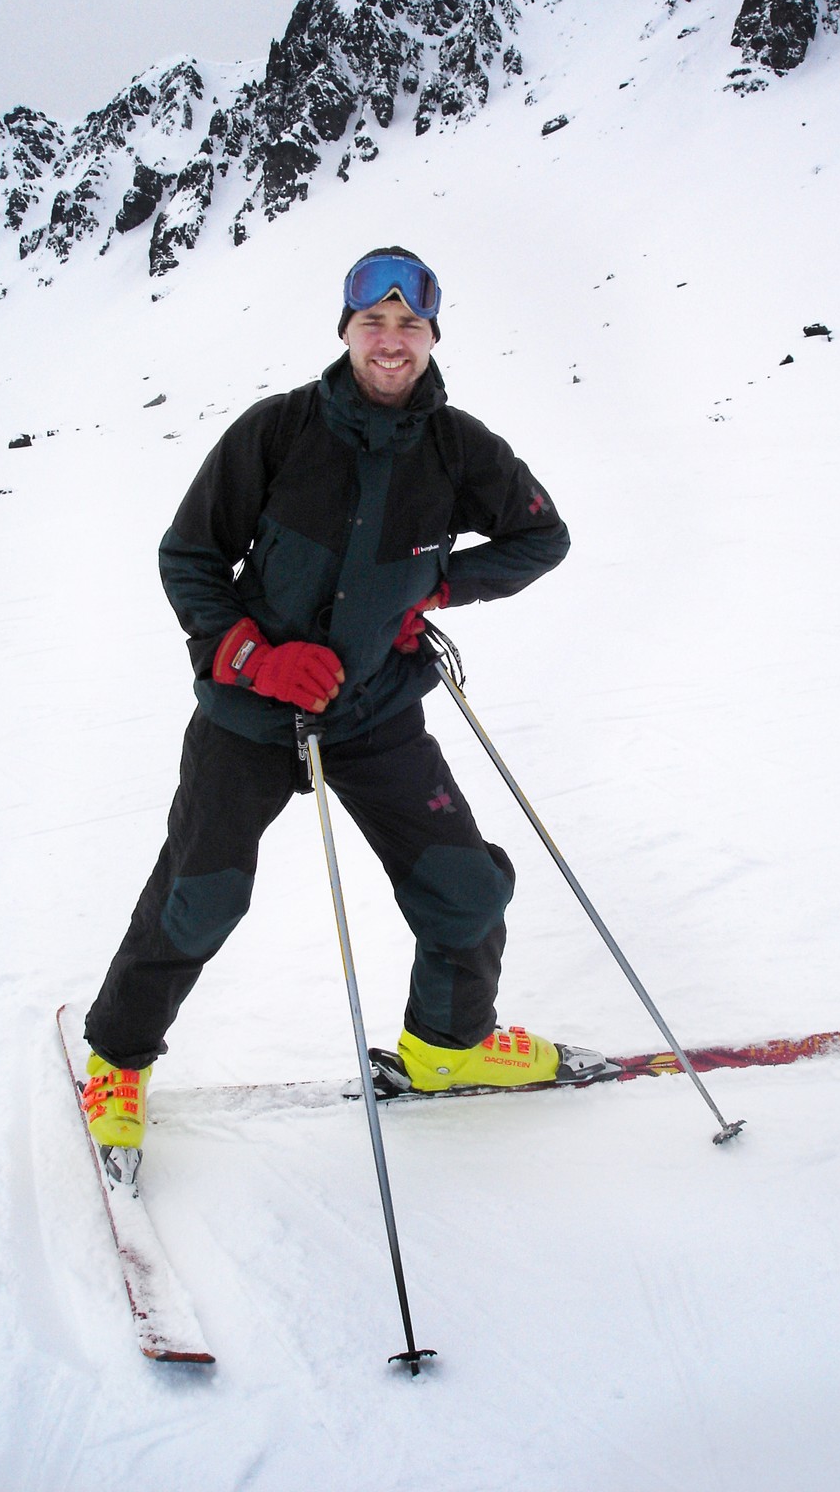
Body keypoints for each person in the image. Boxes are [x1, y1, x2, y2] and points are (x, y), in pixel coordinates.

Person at [81, 247, 575, 1150]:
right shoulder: (278, 430)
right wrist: (252, 658)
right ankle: (117, 1057)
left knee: (465, 890)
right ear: (345, 331)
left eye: (409, 325)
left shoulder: (457, 447)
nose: (390, 341)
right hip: (249, 718)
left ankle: (449, 1046)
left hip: (374, 712)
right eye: (372, 323)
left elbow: (540, 538)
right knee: (199, 895)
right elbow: (190, 556)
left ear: (432, 337)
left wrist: (439, 589)